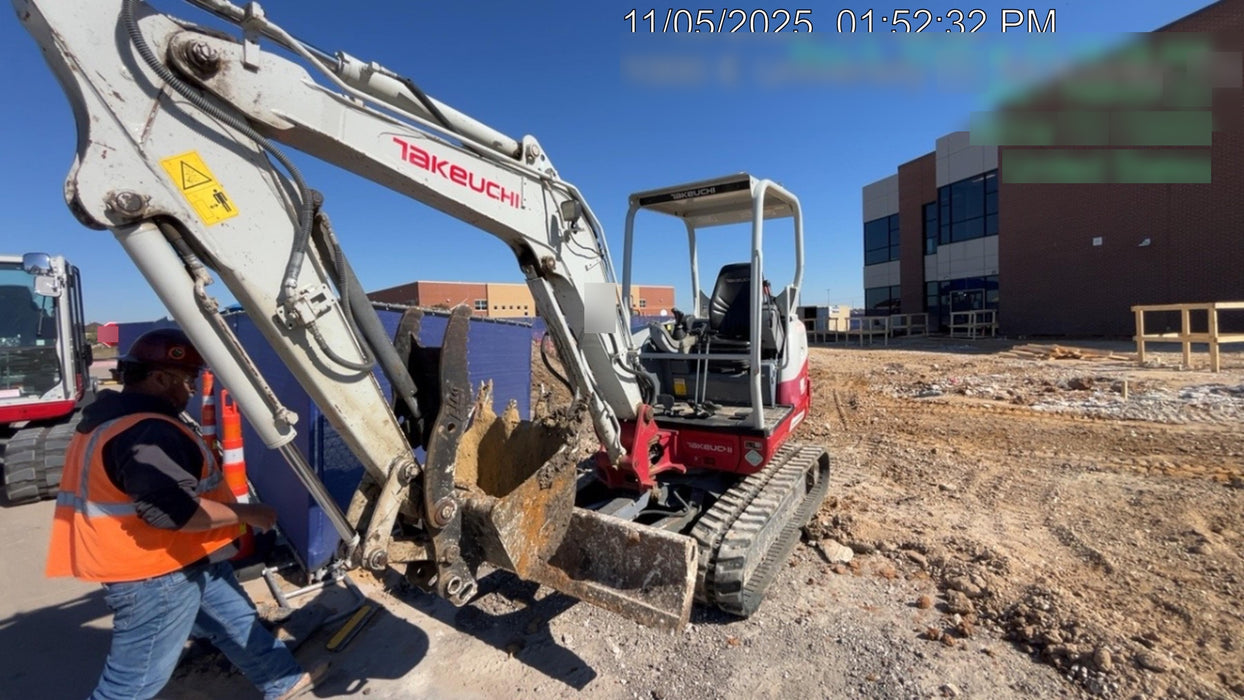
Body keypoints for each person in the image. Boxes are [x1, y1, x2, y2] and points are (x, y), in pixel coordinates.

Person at [46, 328, 318, 700]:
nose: (191, 390)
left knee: (236, 623)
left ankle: (284, 681)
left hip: (187, 556)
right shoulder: (145, 432)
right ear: (159, 377)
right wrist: (250, 513)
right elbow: (173, 512)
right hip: (153, 572)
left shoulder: (113, 418)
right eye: (187, 380)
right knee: (133, 682)